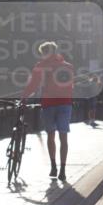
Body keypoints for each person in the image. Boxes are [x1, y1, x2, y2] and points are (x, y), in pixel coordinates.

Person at [21, 41, 76, 181]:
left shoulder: (40, 66)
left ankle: (53, 167)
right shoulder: (68, 66)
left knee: (50, 136)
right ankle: (63, 170)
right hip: (65, 104)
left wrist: (24, 97)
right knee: (63, 137)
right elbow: (71, 86)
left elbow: (33, 85)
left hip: (49, 104)